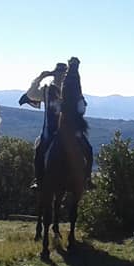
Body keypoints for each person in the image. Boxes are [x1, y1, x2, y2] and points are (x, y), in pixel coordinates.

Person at [19, 59, 93, 190]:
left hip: (69, 129)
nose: (60, 76)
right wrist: (40, 78)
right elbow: (31, 94)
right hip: (50, 129)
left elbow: (82, 108)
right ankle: (39, 178)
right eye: (58, 74)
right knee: (40, 149)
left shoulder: (72, 92)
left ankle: (87, 178)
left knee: (88, 148)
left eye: (63, 74)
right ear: (54, 75)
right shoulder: (47, 90)